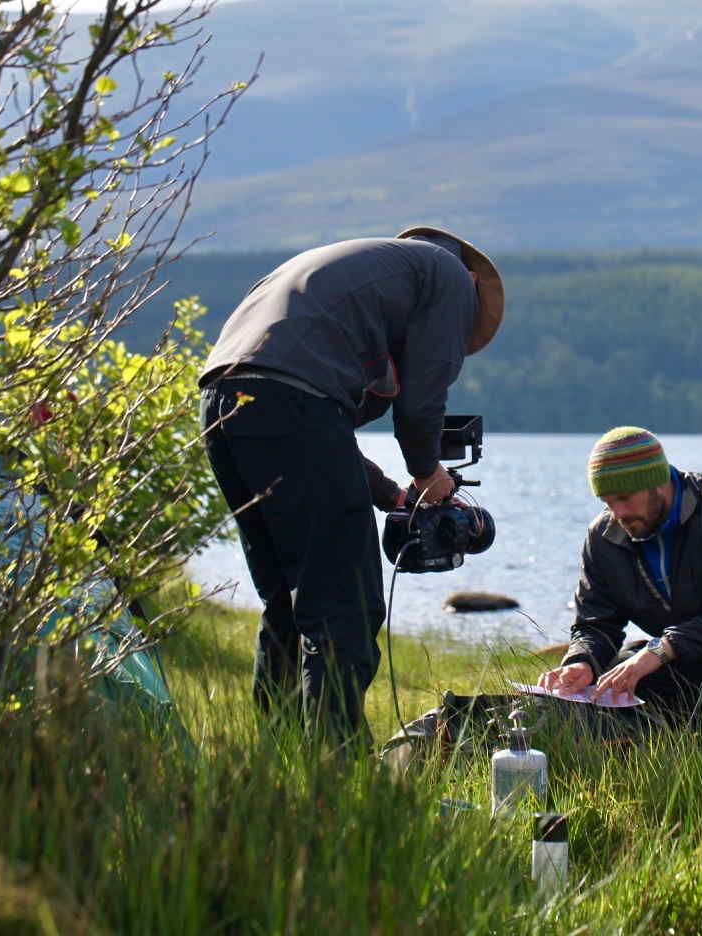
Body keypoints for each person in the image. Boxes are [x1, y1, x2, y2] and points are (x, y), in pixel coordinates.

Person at [199, 228, 503, 750]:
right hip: (290, 404)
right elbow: (423, 395)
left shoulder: (343, 285)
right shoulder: (451, 276)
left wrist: (396, 497)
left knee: (287, 600)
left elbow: (312, 431)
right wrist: (430, 474)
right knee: (346, 606)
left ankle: (280, 758)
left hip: (222, 403)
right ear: (473, 282)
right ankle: (338, 770)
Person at [537, 427, 702, 783]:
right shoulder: (603, 536)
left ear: (657, 482)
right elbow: (595, 623)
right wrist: (581, 661)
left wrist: (664, 646)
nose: (617, 512)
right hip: (686, 664)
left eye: (624, 498)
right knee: (612, 675)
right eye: (606, 501)